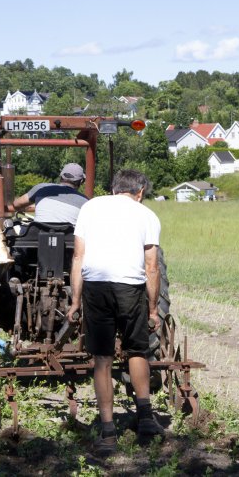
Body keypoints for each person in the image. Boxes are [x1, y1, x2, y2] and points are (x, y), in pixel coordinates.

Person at [67, 169, 164, 452]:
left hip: (96, 286)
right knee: (137, 350)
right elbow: (152, 267)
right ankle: (145, 419)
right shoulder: (147, 215)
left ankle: (108, 432)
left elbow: (78, 256)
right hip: (130, 289)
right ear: (141, 191)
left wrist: (75, 301)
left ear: (113, 189)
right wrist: (154, 309)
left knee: (102, 358)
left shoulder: (89, 207)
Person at [8, 163, 87, 224]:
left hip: (37, 239)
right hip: (69, 243)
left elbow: (16, 204)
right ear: (81, 181)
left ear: (61, 177)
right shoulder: (86, 202)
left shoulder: (42, 188)